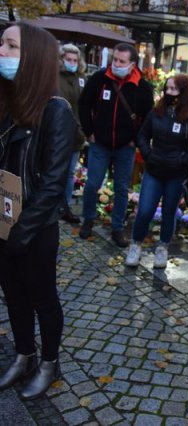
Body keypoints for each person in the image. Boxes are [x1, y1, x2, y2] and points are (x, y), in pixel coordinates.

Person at [0, 22, 76, 399]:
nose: (2, 51)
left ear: (31, 56)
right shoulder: (7, 102)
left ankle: (49, 361)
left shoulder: (55, 110)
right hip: (3, 217)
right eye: (2, 44)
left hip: (35, 226)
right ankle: (23, 354)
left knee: (42, 296)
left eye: (11, 46)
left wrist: (22, 231)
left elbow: (52, 185)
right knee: (12, 294)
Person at [78, 43, 154, 247]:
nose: (117, 64)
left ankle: (117, 228)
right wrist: (89, 132)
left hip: (125, 147)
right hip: (99, 144)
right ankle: (88, 219)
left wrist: (135, 140)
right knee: (92, 184)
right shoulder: (99, 79)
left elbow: (148, 118)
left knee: (121, 188)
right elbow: (84, 104)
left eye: (122, 61)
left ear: (132, 64)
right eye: (115, 60)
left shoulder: (143, 88)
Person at [125, 74, 188, 269]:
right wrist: (148, 154)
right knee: (144, 211)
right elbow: (142, 135)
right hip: (154, 169)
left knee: (169, 212)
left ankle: (163, 248)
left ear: (183, 93)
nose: (169, 93)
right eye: (167, 88)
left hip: (176, 173)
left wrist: (183, 160)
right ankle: (136, 245)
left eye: (174, 89)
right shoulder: (157, 111)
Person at [58, 44, 87, 224]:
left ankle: (65, 207)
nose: (72, 63)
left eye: (75, 60)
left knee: (69, 173)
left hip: (76, 134)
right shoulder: (55, 77)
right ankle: (51, 204)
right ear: (62, 60)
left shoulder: (82, 78)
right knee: (55, 172)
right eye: (68, 60)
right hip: (59, 132)